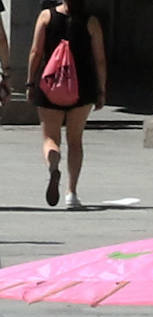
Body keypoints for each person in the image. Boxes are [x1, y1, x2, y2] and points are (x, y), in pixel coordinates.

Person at [26, 0, 105, 209]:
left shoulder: (46, 16)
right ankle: (72, 193)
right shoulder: (91, 22)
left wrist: (30, 82)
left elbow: (35, 52)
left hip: (50, 85)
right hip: (82, 87)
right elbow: (100, 59)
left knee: (50, 138)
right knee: (75, 140)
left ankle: (53, 164)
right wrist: (101, 90)